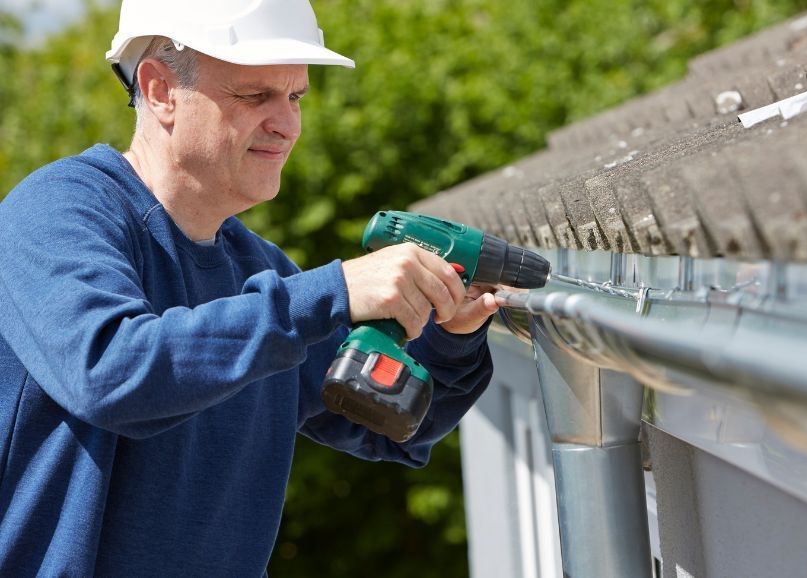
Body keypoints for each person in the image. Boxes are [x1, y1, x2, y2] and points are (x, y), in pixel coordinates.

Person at [0, 0, 500, 575]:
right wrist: (331, 292)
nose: (287, 123)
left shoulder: (260, 270)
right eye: (255, 95)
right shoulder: (59, 211)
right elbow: (111, 372)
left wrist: (455, 336)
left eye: (295, 96)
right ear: (160, 89)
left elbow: (389, 424)